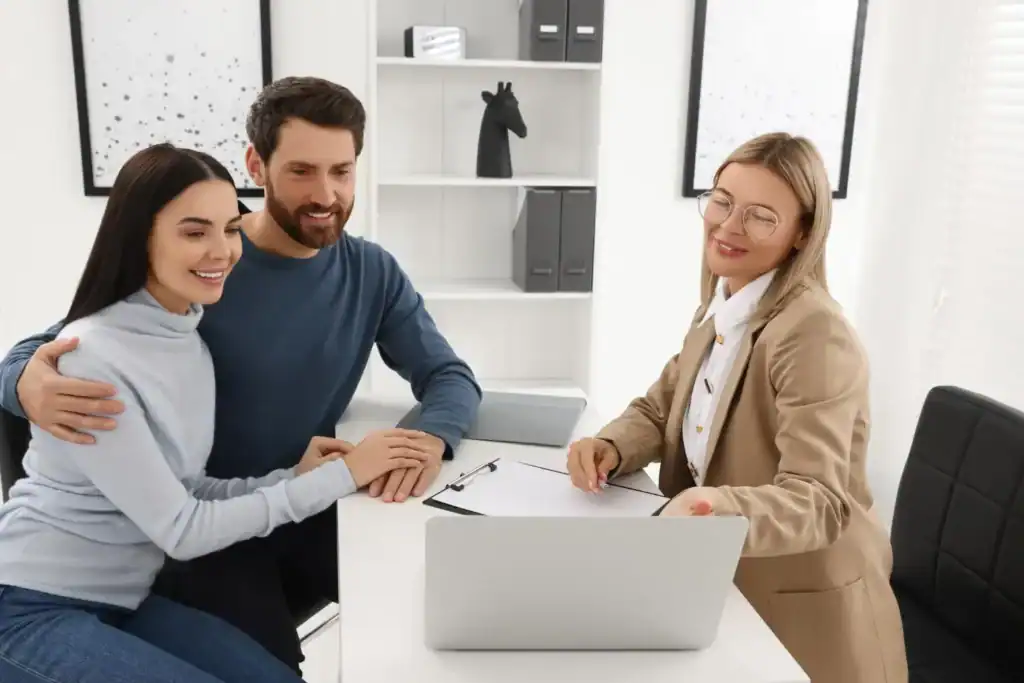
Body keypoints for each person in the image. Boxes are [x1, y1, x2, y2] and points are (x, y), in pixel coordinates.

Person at [0, 76, 482, 672]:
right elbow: (70, 340)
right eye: (302, 170)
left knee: (422, 604)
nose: (326, 193)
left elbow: (450, 375)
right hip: (194, 543)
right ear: (258, 163)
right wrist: (23, 381)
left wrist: (429, 439)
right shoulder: (197, 273)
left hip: (283, 496)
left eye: (342, 170)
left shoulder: (367, 273)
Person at [566, 133, 909, 683]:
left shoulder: (813, 334)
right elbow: (663, 408)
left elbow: (819, 500)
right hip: (721, 587)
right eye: (722, 201)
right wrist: (612, 444)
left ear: (802, 233)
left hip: (801, 617)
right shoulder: (725, 302)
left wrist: (716, 508)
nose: (727, 225)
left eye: (760, 216)